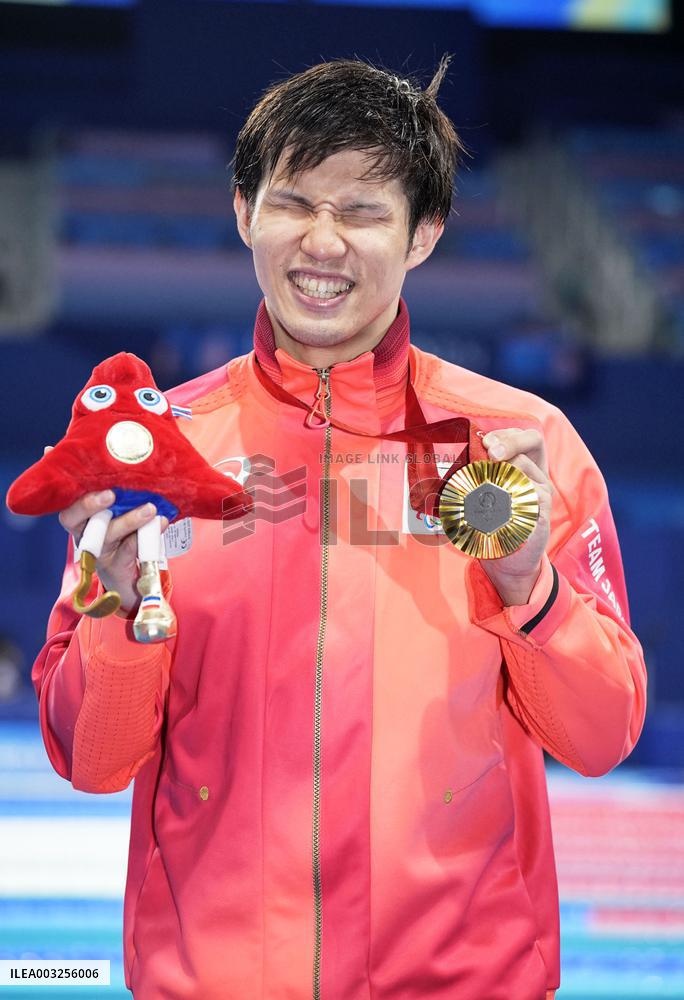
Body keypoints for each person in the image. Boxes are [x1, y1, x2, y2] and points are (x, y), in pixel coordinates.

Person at [32, 57, 647, 1000]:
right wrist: (115, 615)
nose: (322, 242)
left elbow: (602, 736)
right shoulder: (157, 455)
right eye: (292, 203)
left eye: (362, 212)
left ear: (425, 235)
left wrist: (533, 590)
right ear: (244, 213)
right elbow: (90, 758)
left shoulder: (522, 448)